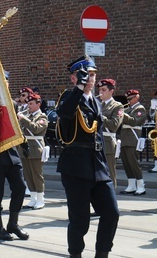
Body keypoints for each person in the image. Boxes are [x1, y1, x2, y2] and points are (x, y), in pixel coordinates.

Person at [56, 55, 119, 258]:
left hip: (98, 167)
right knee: (80, 220)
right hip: (76, 168)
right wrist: (79, 89)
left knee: (111, 213)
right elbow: (64, 113)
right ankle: (75, 254)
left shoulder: (97, 101)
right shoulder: (69, 96)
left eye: (92, 74)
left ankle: (102, 253)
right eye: (84, 75)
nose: (90, 79)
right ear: (74, 78)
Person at [18, 93, 48, 210]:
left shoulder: (42, 117)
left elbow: (36, 129)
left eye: (31, 103)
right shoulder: (27, 116)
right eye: (28, 103)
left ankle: (40, 199)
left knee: (36, 175)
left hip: (36, 149)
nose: (28, 106)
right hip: (25, 149)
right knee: (28, 175)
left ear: (38, 104)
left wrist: (24, 119)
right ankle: (33, 198)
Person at [97, 79, 124, 188]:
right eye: (99, 90)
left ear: (111, 91)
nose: (100, 92)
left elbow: (114, 125)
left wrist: (100, 116)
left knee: (109, 171)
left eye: (103, 90)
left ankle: (112, 194)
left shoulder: (117, 106)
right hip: (97, 141)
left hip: (108, 142)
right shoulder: (98, 104)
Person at [119, 89, 147, 195]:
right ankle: (131, 185)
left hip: (132, 138)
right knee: (126, 163)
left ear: (136, 97)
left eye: (130, 99)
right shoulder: (127, 109)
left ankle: (141, 185)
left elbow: (135, 121)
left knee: (133, 163)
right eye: (127, 99)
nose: (128, 101)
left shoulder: (140, 109)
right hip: (124, 138)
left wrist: (122, 113)